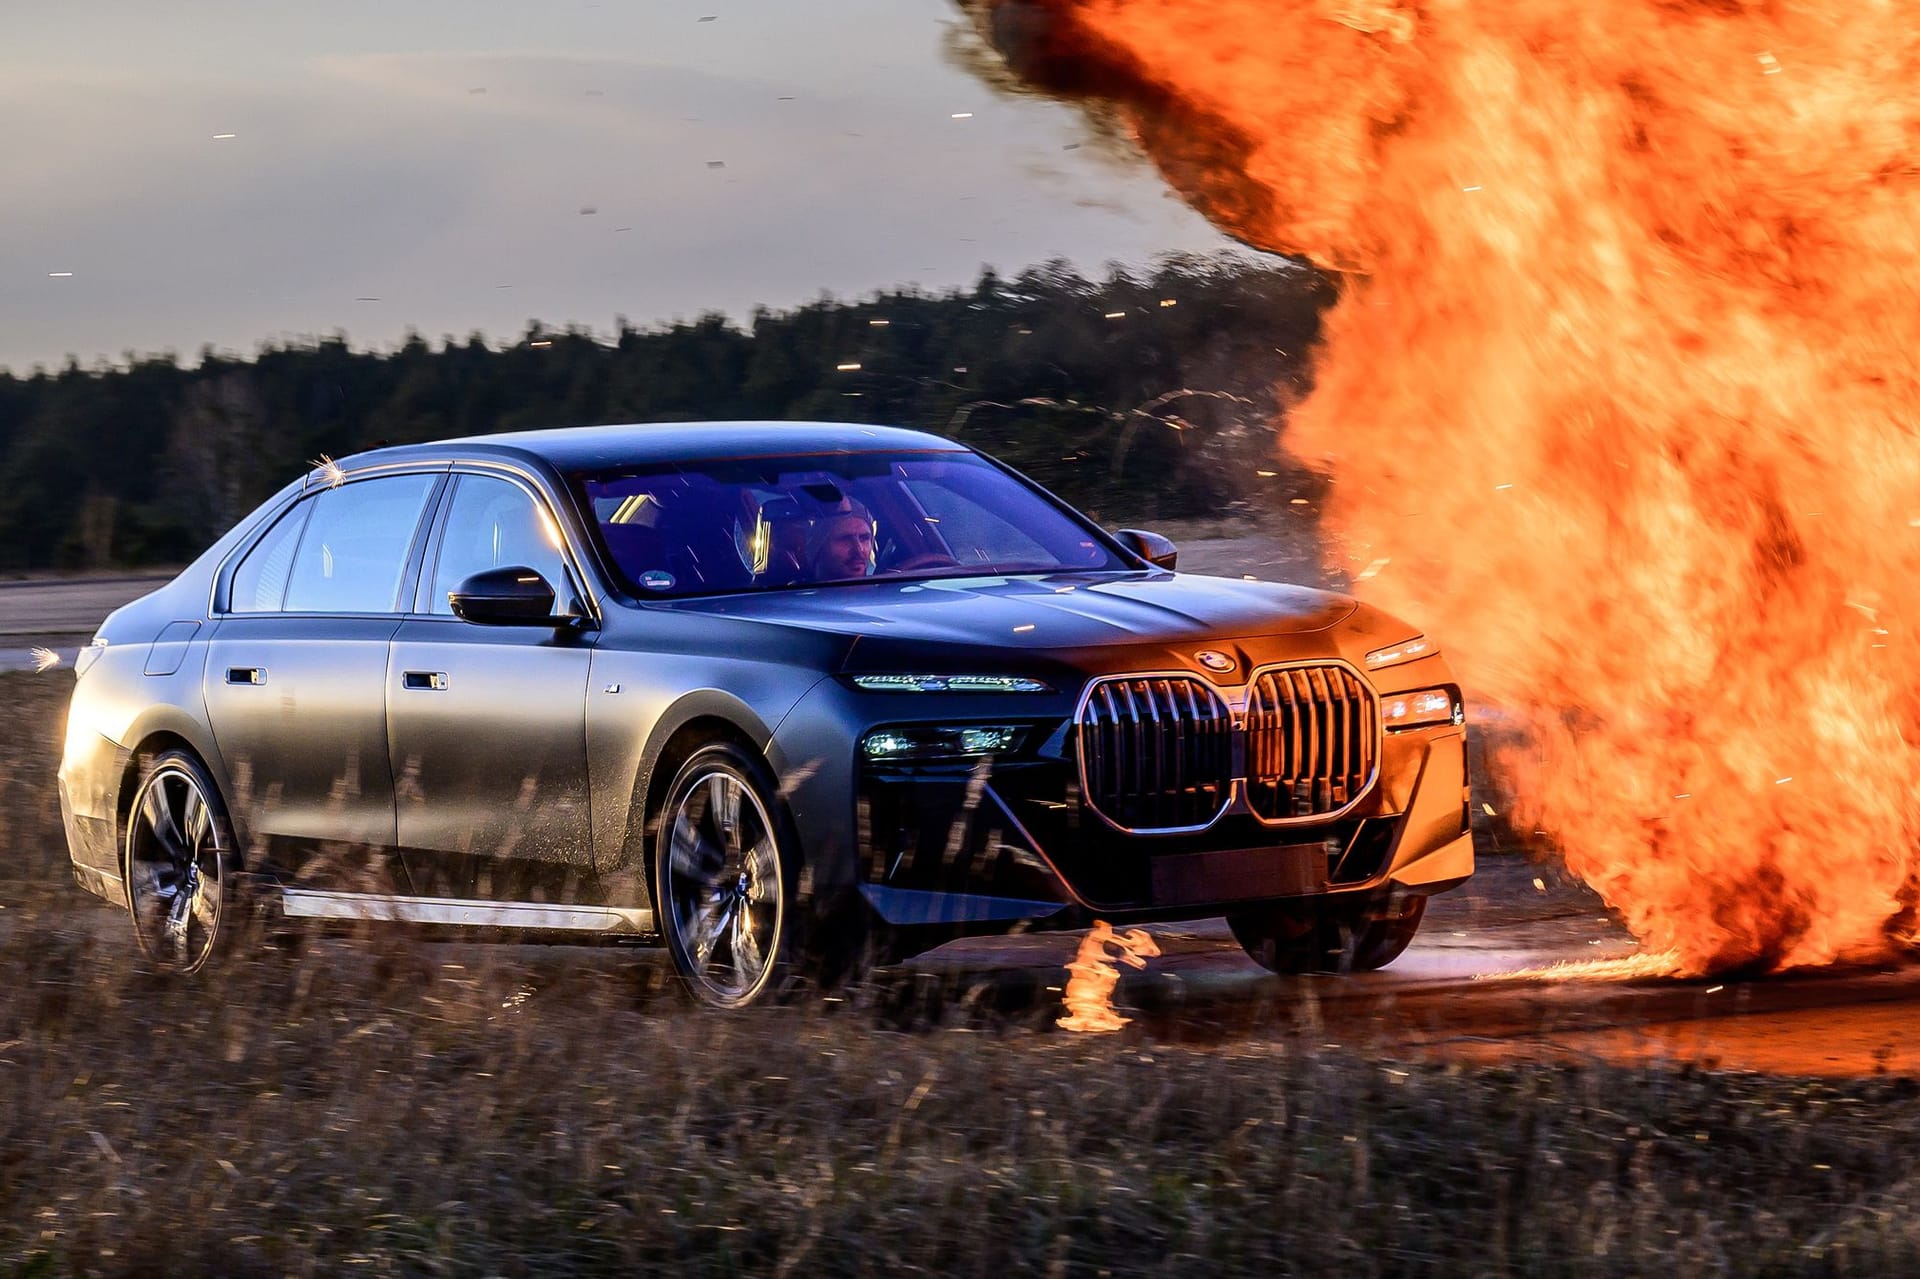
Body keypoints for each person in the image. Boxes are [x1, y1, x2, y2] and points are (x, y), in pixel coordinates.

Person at [808, 498, 875, 580]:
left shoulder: (885, 588)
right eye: (845, 539)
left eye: (864, 538)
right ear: (819, 547)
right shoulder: (792, 590)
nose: (859, 549)